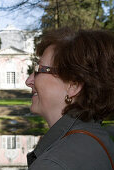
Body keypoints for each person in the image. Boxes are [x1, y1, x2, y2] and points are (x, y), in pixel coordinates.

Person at [25, 28, 114, 169]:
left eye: (38, 70)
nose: (29, 81)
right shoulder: (101, 140)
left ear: (73, 85)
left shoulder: (53, 164)